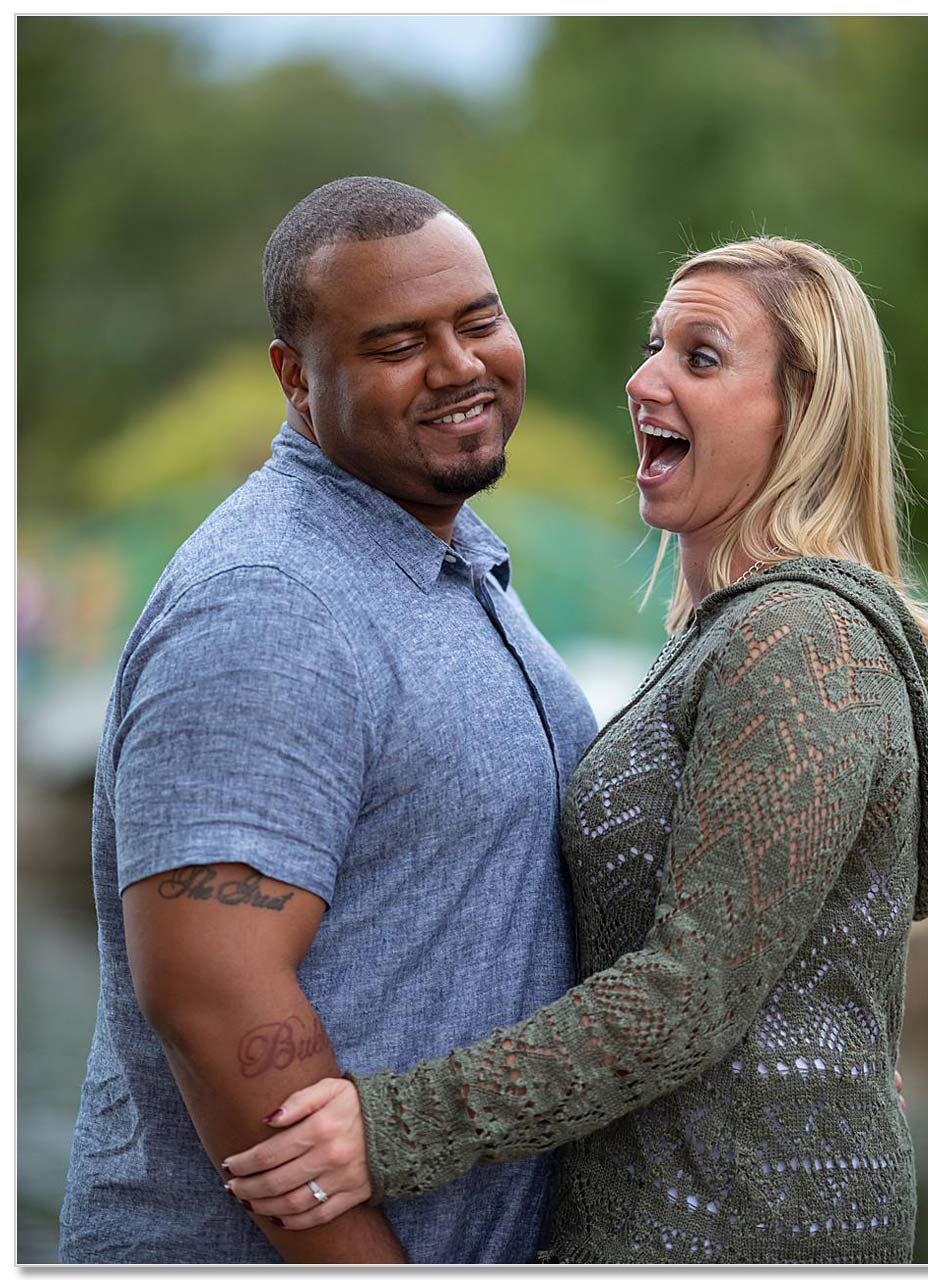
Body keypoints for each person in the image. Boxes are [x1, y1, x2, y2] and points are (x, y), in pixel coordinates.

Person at [220, 237, 928, 1264]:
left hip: (733, 1229)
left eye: (701, 357)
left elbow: (689, 993)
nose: (643, 378)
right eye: (654, 347)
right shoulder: (723, 634)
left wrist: (388, 1128)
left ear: (806, 410)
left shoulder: (800, 638)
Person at [59, 177, 598, 1262]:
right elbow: (214, 997)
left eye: (478, 319)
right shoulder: (270, 601)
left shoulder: (442, 546)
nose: (459, 363)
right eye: (397, 341)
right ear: (295, 378)